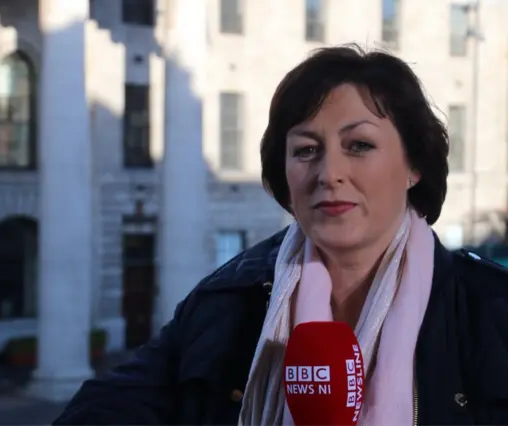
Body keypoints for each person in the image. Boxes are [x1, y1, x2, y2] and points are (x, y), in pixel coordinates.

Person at [53, 45, 508, 425]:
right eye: (307, 150)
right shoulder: (225, 305)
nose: (330, 173)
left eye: (360, 145)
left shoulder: (491, 312)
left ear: (414, 166)